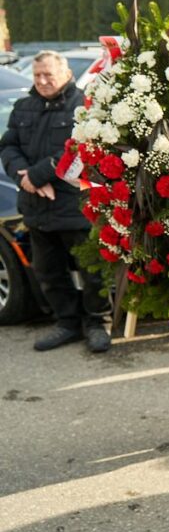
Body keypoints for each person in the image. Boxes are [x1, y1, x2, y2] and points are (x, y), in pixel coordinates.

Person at [0, 51, 111, 353]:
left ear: (66, 74)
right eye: (37, 75)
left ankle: (97, 322)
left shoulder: (84, 106)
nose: (42, 80)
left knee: (92, 272)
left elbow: (80, 151)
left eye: (48, 74)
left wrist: (37, 175)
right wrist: (24, 178)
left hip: (75, 206)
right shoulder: (24, 107)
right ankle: (67, 322)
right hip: (37, 207)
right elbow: (8, 147)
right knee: (49, 273)